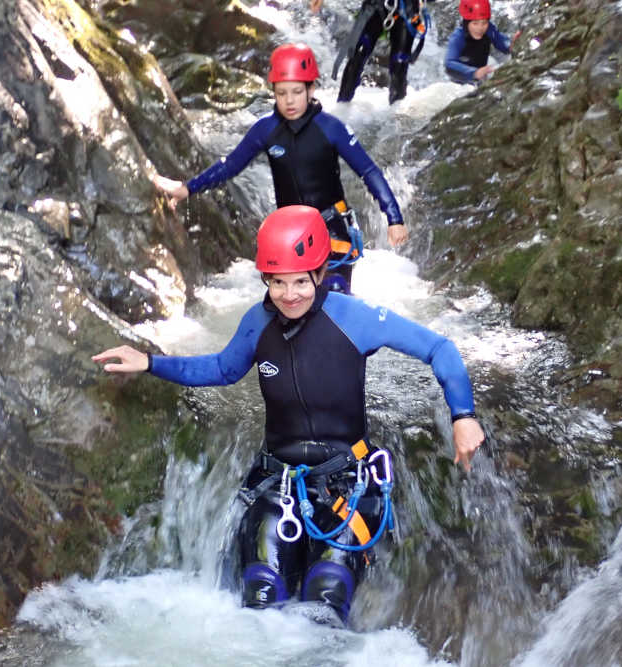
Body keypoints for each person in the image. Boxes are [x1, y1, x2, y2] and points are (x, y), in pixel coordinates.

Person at [92, 205, 485, 626]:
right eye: (278, 282)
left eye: (300, 281)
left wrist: (463, 415)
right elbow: (222, 370)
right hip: (278, 483)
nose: (289, 294)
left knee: (325, 605)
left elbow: (438, 348)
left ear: (319, 274)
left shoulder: (355, 318)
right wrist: (150, 362)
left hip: (346, 484)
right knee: (260, 603)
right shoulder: (257, 323)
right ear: (265, 280)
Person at [152, 43, 407, 295]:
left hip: (331, 229)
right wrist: (187, 188)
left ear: (311, 89)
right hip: (289, 235)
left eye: (297, 91)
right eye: (282, 92)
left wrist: (394, 218)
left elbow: (369, 171)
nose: (289, 100)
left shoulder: (330, 128)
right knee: (289, 307)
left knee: (333, 299)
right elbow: (230, 166)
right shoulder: (266, 129)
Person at [315, 0, 432, 105]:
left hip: (407, 8)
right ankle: (342, 105)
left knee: (399, 67)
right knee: (357, 56)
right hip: (375, 5)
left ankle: (397, 113)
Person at [444, 0, 519, 85]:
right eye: (475, 23)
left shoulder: (489, 29)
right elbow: (449, 64)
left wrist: (512, 44)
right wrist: (474, 73)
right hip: (460, 83)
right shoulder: (458, 37)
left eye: (484, 23)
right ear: (466, 23)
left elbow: (502, 43)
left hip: (480, 77)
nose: (480, 28)